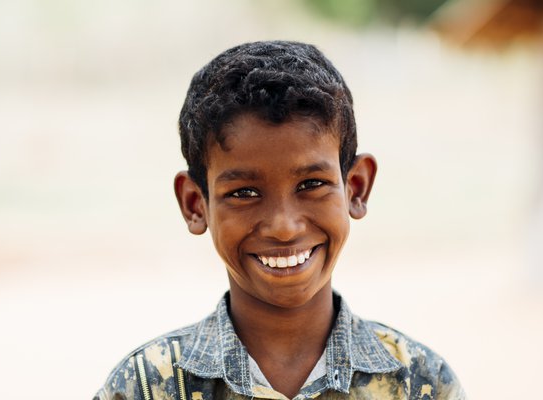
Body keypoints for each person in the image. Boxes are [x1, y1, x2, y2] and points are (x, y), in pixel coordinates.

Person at [93, 40, 466, 400]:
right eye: (243, 193)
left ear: (355, 188)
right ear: (195, 204)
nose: (285, 226)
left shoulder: (419, 384)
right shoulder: (145, 387)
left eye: (312, 184)